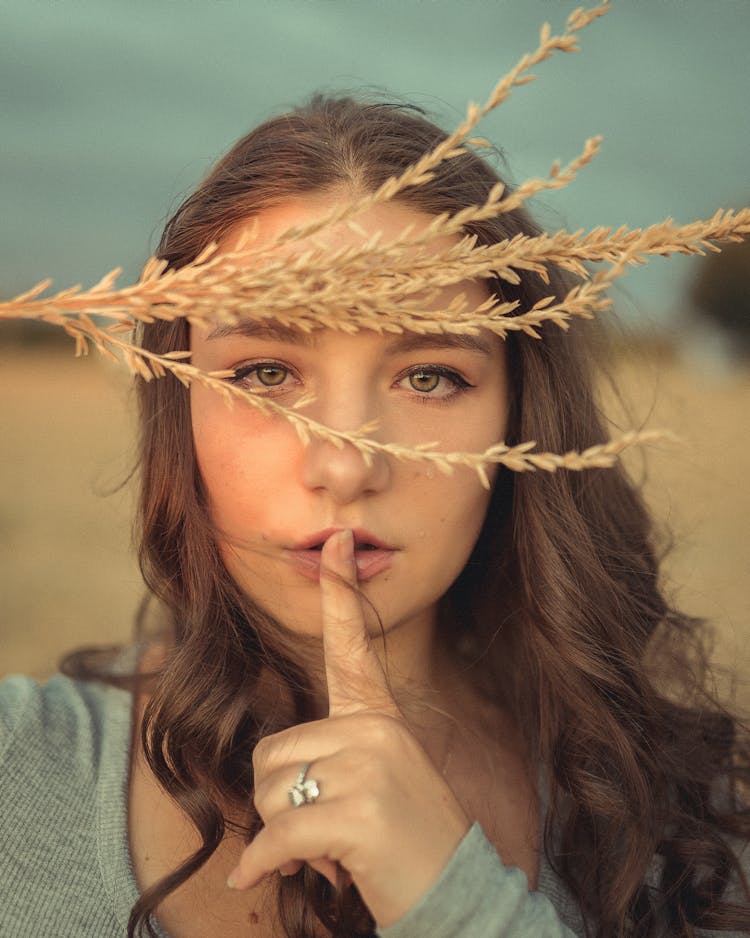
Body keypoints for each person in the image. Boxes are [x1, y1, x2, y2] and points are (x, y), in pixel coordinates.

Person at [1, 95, 748, 938]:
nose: (346, 464)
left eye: (429, 377)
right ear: (178, 411)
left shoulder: (681, 825)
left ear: (520, 417)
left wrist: (452, 898)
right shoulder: (18, 770)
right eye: (263, 374)